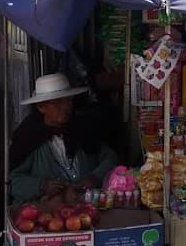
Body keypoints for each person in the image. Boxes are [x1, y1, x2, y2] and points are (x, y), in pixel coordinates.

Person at [8, 72, 120, 207]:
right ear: (41, 107)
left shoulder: (83, 130)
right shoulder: (28, 137)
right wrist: (42, 186)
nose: (66, 107)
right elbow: (13, 182)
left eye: (69, 100)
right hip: (47, 214)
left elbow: (111, 158)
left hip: (87, 208)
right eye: (57, 102)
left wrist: (95, 177)